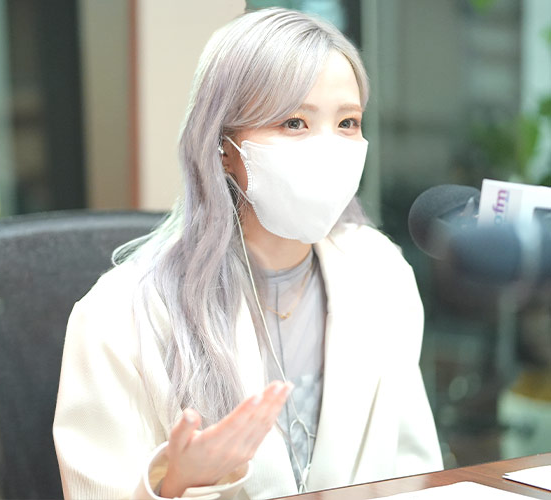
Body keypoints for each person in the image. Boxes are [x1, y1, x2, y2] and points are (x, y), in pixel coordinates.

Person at [53, 7, 443, 499]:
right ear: (223, 146)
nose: (329, 147)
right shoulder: (118, 317)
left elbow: (416, 473)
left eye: (348, 122)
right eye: (295, 122)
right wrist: (175, 484)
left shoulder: (381, 272)